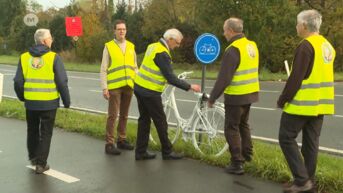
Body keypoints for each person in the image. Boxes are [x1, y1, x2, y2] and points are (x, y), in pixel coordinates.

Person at [277, 10, 335, 193]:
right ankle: (308, 182)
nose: (296, 26)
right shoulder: (327, 46)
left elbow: (296, 78)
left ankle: (302, 181)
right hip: (321, 105)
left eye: (297, 23)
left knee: (286, 138)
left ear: (303, 25)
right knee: (311, 143)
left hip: (302, 105)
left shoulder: (306, 46)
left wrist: (282, 99)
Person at [134, 28, 201, 160]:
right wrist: (189, 86)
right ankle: (167, 152)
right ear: (170, 39)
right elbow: (170, 77)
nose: (177, 46)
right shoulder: (162, 53)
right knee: (161, 122)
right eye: (177, 43)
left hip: (139, 87)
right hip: (150, 91)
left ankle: (140, 152)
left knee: (144, 120)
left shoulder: (152, 46)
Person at [13, 28, 70, 174]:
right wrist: (66, 101)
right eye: (50, 38)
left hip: (31, 103)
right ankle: (41, 164)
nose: (52, 40)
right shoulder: (53, 57)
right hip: (49, 102)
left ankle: (33, 157)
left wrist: (22, 97)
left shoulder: (24, 57)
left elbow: (18, 81)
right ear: (45, 41)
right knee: (45, 132)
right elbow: (62, 82)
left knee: (32, 130)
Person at [208, 17, 259, 175]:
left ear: (230, 30)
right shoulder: (251, 45)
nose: (223, 34)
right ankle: (247, 154)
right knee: (243, 124)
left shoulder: (233, 49)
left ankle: (237, 162)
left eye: (224, 30)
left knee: (231, 128)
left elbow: (224, 78)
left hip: (236, 95)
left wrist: (212, 97)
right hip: (250, 93)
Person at [100, 20, 137, 155]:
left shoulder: (131, 46)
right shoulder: (108, 46)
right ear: (114, 31)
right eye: (119, 29)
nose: (121, 31)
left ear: (126, 31)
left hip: (129, 86)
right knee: (113, 115)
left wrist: (137, 83)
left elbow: (135, 67)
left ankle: (121, 140)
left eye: (124, 29)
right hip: (114, 87)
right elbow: (103, 68)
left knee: (125, 115)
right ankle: (109, 143)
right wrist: (105, 87)